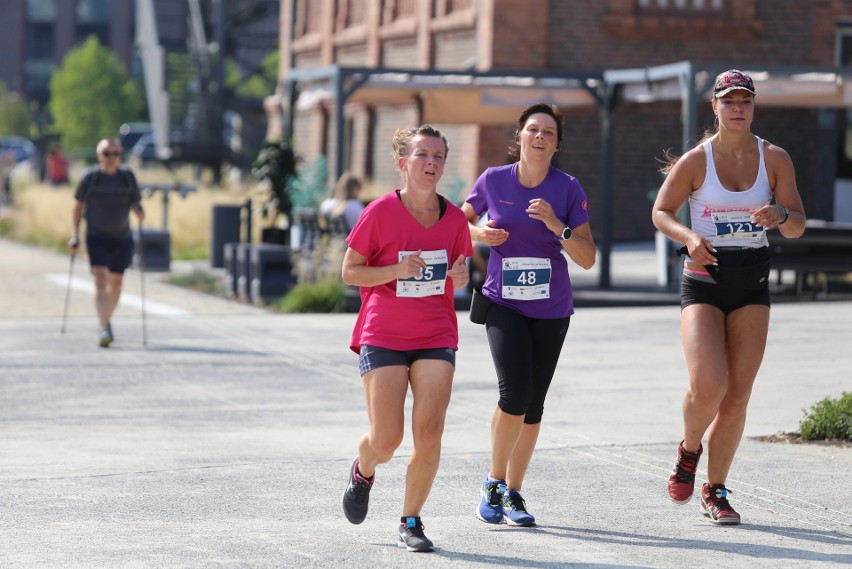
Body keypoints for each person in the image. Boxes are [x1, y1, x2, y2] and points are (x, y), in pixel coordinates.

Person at [652, 70, 806, 525]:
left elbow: (797, 223)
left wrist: (780, 213)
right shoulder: (696, 161)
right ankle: (688, 450)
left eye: (745, 100)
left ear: (753, 107)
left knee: (737, 397)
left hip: (752, 281)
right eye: (729, 101)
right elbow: (661, 211)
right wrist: (688, 236)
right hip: (704, 279)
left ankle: (714, 489)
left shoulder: (774, 158)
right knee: (708, 384)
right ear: (714, 107)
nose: (738, 108)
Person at [462, 103, 596, 527]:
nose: (540, 137)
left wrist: (559, 226)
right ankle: (493, 483)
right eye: (533, 129)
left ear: (557, 144)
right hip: (503, 301)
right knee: (514, 393)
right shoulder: (493, 180)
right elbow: (453, 224)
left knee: (533, 405)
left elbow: (588, 258)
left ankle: (515, 493)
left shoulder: (569, 188)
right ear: (519, 136)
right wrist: (479, 232)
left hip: (551, 308)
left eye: (549, 133)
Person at [340, 124, 472, 553]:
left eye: (438, 157)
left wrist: (460, 275)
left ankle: (411, 520)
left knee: (430, 432)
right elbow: (350, 271)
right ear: (403, 164)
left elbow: (456, 271)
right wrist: (396, 270)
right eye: (422, 155)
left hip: (436, 331)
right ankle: (363, 469)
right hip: (384, 331)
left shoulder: (454, 219)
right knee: (388, 439)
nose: (431, 163)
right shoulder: (379, 212)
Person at [69, 138, 145, 348]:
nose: (112, 158)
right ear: (99, 155)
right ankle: (103, 327)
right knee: (100, 279)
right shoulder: (90, 178)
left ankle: (106, 319)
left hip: (122, 237)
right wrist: (74, 234)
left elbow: (135, 201)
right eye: (107, 153)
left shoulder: (127, 177)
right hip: (96, 237)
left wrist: (139, 211)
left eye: (115, 153)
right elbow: (77, 206)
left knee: (117, 282)